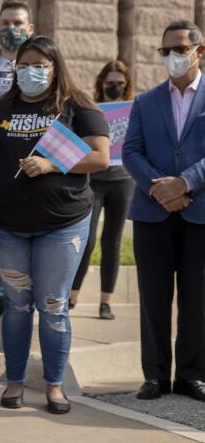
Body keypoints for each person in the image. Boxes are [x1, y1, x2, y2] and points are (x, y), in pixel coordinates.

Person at [0, 36, 110, 414]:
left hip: (62, 225)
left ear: (55, 67)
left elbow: (100, 157)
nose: (31, 71)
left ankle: (54, 385)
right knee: (16, 305)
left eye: (40, 65)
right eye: (24, 64)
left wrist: (51, 163)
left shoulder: (75, 106)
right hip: (6, 225)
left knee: (53, 305)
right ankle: (13, 382)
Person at [123, 20, 205, 403]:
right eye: (165, 50)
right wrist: (162, 189)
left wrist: (185, 183)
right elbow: (131, 153)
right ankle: (155, 374)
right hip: (153, 213)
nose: (172, 56)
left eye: (179, 49)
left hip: (199, 211)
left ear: (198, 51)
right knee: (153, 298)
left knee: (197, 298)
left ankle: (192, 374)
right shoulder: (145, 100)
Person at [70, 60, 135, 319]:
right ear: (101, 84)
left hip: (123, 180)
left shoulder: (134, 109)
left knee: (113, 241)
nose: (115, 87)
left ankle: (105, 301)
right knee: (86, 241)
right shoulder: (91, 108)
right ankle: (73, 294)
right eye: (110, 83)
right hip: (94, 180)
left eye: (120, 84)